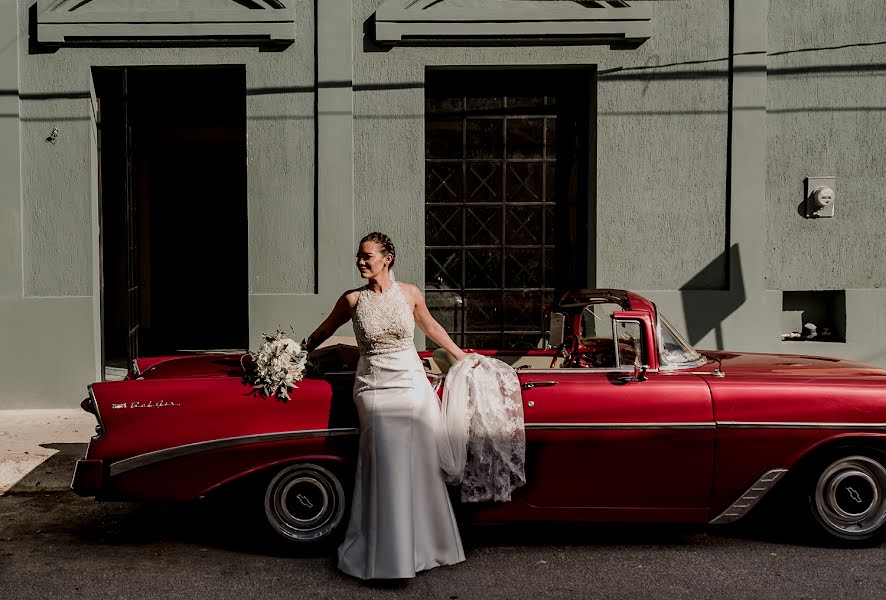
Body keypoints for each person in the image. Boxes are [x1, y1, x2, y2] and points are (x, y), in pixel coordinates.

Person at [303, 232, 466, 580]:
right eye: (359, 257)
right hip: (374, 386)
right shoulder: (351, 300)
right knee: (385, 462)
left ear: (387, 258)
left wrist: (460, 354)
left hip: (409, 383)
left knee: (417, 464)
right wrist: (292, 353)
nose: (361, 262)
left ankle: (423, 548)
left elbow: (430, 326)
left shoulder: (410, 294)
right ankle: (386, 554)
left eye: (367, 256)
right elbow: (321, 333)